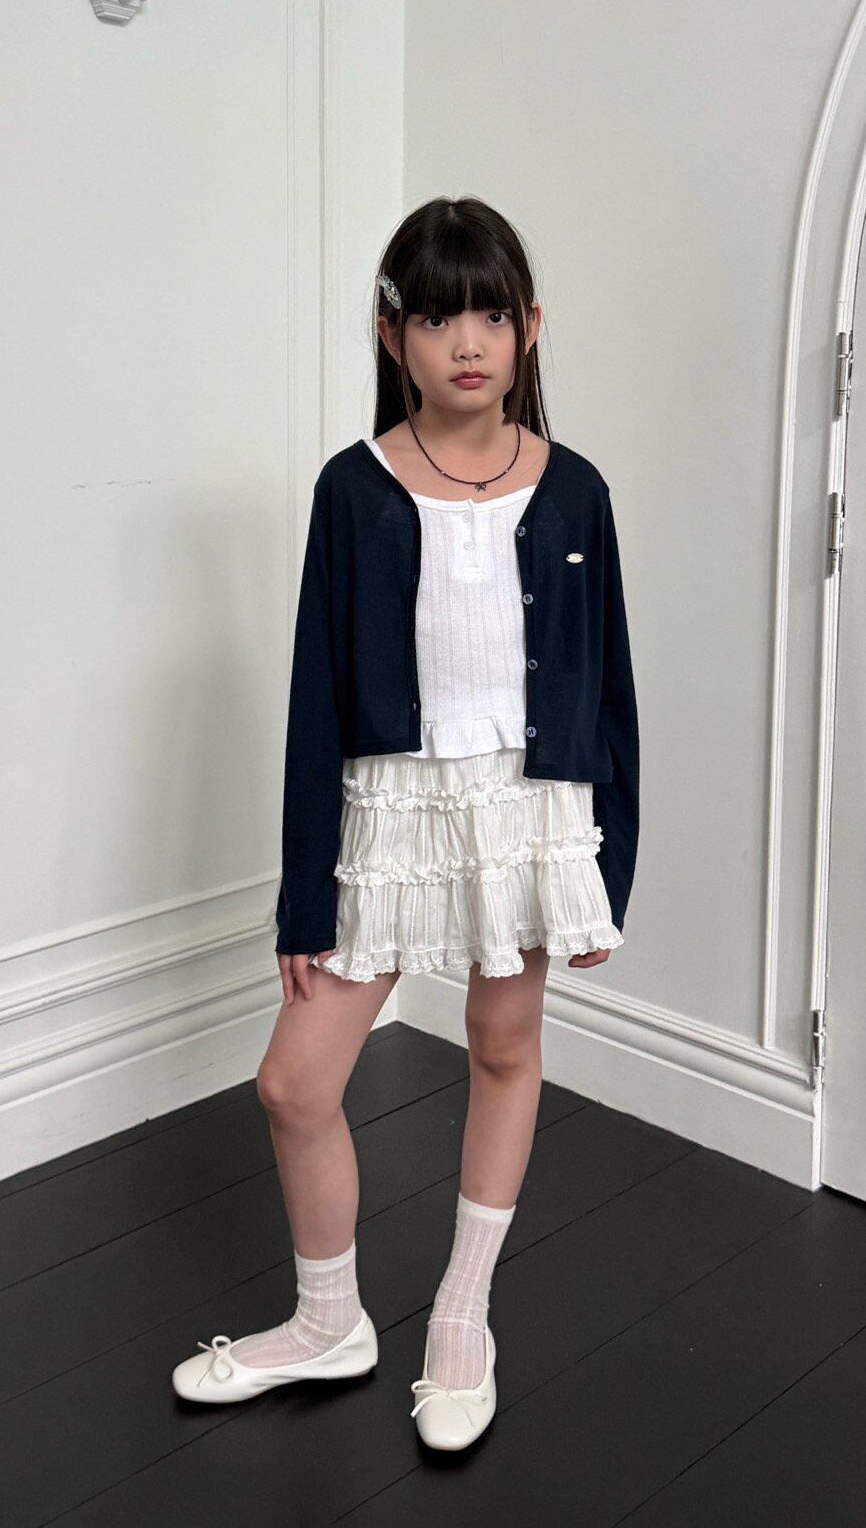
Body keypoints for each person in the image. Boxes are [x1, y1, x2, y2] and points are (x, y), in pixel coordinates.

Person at [171, 195, 640, 1450]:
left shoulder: (576, 491)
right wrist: (302, 897)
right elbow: (314, 699)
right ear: (394, 336)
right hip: (389, 811)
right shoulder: (353, 488)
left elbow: (608, 689)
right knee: (293, 1082)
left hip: (528, 807)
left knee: (501, 1045)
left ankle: (460, 1316)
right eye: (435, 318)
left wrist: (609, 870)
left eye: (488, 315)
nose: (465, 343)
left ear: (528, 325)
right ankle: (328, 1320)